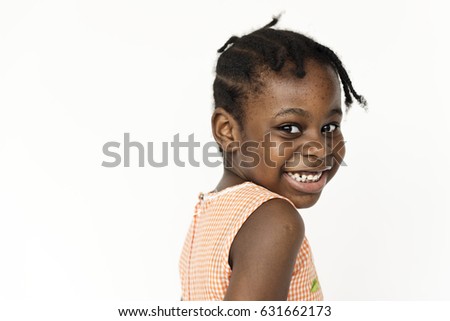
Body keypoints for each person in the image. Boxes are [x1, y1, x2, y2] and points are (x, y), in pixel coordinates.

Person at [179, 16, 366, 301]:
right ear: (227, 131)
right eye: (289, 128)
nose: (319, 149)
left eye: (329, 127)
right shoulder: (273, 220)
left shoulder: (209, 214)